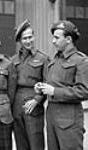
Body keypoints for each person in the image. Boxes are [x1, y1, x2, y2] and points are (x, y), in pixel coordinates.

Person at [34, 20, 88, 150]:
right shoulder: (55, 60)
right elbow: (54, 83)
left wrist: (54, 91)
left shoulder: (80, 61)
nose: (53, 41)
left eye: (57, 38)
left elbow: (84, 91)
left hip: (69, 122)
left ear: (68, 39)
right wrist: (42, 88)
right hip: (52, 119)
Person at [11, 19, 49, 150]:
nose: (28, 41)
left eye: (30, 37)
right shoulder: (13, 60)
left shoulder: (43, 58)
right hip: (17, 103)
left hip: (34, 103)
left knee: (36, 142)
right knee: (20, 142)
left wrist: (36, 100)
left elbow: (47, 83)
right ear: (20, 41)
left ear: (34, 36)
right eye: (25, 38)